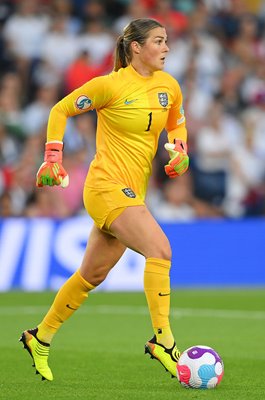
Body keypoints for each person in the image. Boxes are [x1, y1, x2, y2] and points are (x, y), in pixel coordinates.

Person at [19, 18, 189, 381]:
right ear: (136, 47)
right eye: (159, 41)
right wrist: (53, 155)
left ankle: (40, 336)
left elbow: (176, 123)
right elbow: (60, 109)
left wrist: (180, 150)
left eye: (167, 41)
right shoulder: (109, 85)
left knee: (91, 275)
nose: (166, 48)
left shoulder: (169, 86)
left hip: (132, 191)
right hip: (104, 187)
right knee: (160, 250)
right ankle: (165, 341)